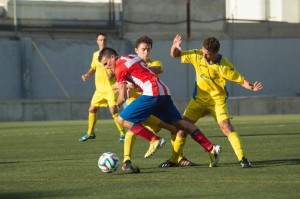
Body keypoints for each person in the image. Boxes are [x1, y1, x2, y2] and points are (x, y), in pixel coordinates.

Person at [98, 47, 221, 172]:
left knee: (122, 119)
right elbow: (143, 72)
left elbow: (123, 97)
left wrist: (116, 104)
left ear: (112, 57)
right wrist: (132, 84)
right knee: (181, 124)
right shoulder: (130, 57)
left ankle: (154, 140)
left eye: (106, 63)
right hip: (163, 92)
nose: (107, 67)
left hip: (151, 93)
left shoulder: (119, 67)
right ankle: (211, 148)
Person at [169, 34, 263, 168]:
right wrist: (174, 46)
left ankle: (242, 159)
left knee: (226, 127)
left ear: (216, 53)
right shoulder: (197, 55)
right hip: (198, 101)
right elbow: (175, 55)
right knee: (182, 128)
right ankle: (173, 160)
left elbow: (240, 80)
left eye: (208, 54)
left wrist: (251, 87)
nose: (204, 56)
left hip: (217, 101)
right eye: (203, 52)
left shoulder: (224, 65)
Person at [122, 36, 196, 169]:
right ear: (136, 50)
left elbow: (158, 69)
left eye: (148, 50)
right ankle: (127, 161)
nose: (146, 53)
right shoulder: (128, 64)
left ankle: (177, 157)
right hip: (140, 104)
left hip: (154, 104)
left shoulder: (153, 63)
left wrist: (131, 78)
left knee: (176, 128)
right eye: (143, 50)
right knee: (132, 129)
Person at [78, 32, 125, 142]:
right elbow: (93, 68)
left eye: (104, 39)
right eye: (100, 39)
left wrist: (112, 74)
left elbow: (119, 67)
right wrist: (87, 75)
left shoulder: (111, 53)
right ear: (97, 41)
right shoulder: (95, 55)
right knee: (92, 109)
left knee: (113, 110)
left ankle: (122, 133)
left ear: (107, 41)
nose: (102, 41)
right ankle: (90, 133)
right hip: (99, 89)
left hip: (110, 88)